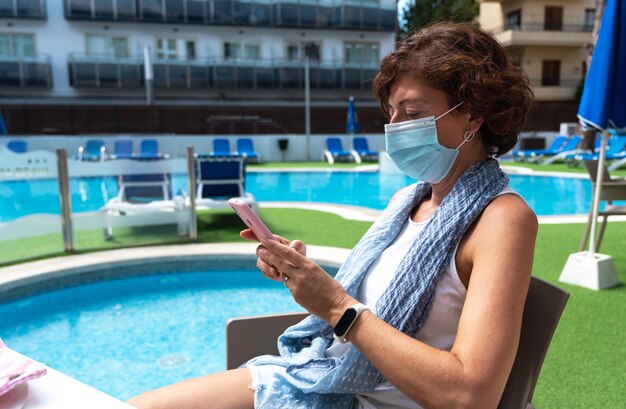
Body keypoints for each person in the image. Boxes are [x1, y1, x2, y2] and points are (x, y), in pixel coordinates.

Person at [128, 22, 537, 409]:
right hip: (326, 375)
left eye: (411, 114)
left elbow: (471, 396)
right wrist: (301, 273)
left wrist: (338, 308)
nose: (393, 127)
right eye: (391, 113)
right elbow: (372, 302)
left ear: (474, 116)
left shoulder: (502, 219)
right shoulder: (409, 199)